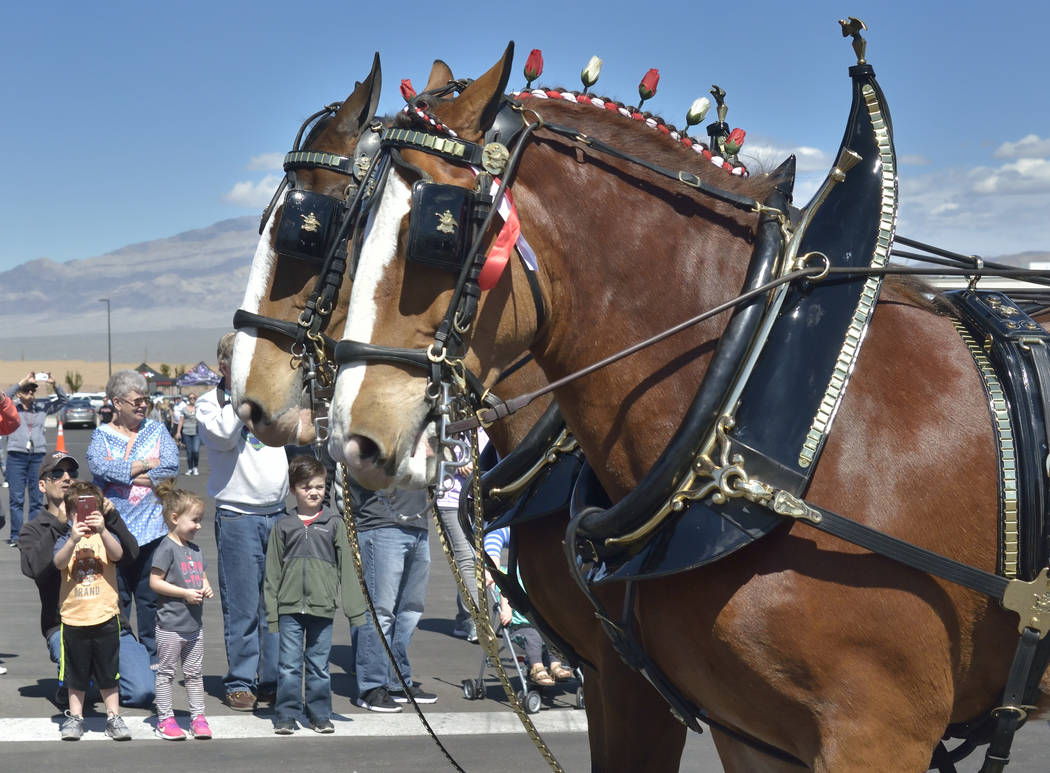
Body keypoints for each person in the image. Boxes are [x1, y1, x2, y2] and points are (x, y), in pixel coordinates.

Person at [19, 451, 153, 708]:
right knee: (84, 689)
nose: (66, 478)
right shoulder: (34, 529)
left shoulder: (97, 519)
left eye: (72, 473)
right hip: (65, 624)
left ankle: (93, 673)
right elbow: (33, 568)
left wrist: (111, 519)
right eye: (56, 474)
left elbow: (131, 555)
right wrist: (61, 526)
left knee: (143, 692)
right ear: (42, 485)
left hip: (109, 621)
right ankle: (84, 677)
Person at [198, 332, 288, 711]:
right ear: (225, 367)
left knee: (276, 605)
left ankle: (272, 679)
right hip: (238, 516)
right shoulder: (209, 403)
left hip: (278, 513)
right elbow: (220, 436)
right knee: (243, 604)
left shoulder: (272, 398)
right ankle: (240, 680)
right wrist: (243, 397)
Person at [265, 456, 366, 734]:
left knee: (319, 666)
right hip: (289, 609)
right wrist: (272, 614)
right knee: (288, 666)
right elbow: (272, 572)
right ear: (293, 489)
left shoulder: (334, 523)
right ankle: (286, 714)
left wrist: (355, 611)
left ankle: (320, 714)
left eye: (319, 487)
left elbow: (348, 569)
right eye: (306, 486)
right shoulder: (283, 525)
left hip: (323, 608)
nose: (313, 492)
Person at [87, 370, 180, 662]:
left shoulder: (157, 430)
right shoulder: (101, 435)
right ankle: (121, 663)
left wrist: (131, 475)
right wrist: (143, 464)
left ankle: (154, 664)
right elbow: (100, 467)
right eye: (137, 400)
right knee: (118, 601)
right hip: (114, 533)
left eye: (146, 400)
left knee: (151, 602)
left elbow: (171, 466)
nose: (143, 405)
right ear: (117, 402)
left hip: (153, 531)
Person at [52, 480, 132, 741]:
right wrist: (73, 538)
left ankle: (113, 716)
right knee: (76, 673)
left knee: (109, 671)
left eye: (90, 510)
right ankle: (75, 717)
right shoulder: (66, 539)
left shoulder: (104, 538)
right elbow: (58, 562)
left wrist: (104, 529)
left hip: (105, 615)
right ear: (70, 514)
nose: (84, 517)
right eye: (79, 511)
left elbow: (119, 554)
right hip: (74, 618)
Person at [348, 480, 436, 713]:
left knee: (410, 610)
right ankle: (371, 687)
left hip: (417, 523)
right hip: (379, 522)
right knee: (381, 611)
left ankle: (396, 681)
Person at [149, 479, 214, 741]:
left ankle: (198, 717)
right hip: (170, 626)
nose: (199, 526)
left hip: (193, 625)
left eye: (200, 520)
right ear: (175, 518)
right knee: (166, 673)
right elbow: (155, 582)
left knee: (194, 674)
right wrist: (185, 593)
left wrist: (205, 586)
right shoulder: (166, 548)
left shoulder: (195, 550)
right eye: (194, 520)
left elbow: (201, 574)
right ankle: (165, 719)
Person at [485, 527, 573, 687]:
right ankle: (537, 668)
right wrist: (506, 609)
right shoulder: (509, 574)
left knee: (554, 634)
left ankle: (555, 665)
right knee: (534, 636)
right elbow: (505, 592)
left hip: (541, 624)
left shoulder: (542, 576)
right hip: (519, 627)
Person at [435, 430, 488, 643]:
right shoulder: (450, 427)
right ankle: (477, 619)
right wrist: (457, 464)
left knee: (481, 557)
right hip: (451, 501)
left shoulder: (486, 428)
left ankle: (463, 619)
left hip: (480, 500)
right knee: (466, 558)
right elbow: (432, 457)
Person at [5, 372, 68, 546]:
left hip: (37, 456)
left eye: (33, 391)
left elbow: (63, 401)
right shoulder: (12, 407)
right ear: (19, 393)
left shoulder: (42, 407)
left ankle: (33, 534)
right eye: (26, 390)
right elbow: (4, 398)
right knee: (16, 498)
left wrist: (54, 384)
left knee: (37, 498)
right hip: (16, 456)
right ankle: (16, 535)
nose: (30, 394)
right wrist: (21, 382)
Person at [175, 393, 201, 476]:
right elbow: (181, 421)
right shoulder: (184, 409)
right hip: (186, 432)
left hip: (197, 432)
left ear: (196, 399)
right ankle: (190, 468)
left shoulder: (199, 408)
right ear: (188, 399)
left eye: (194, 398)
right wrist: (178, 432)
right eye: (190, 398)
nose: (192, 399)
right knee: (189, 452)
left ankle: (195, 467)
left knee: (196, 451)